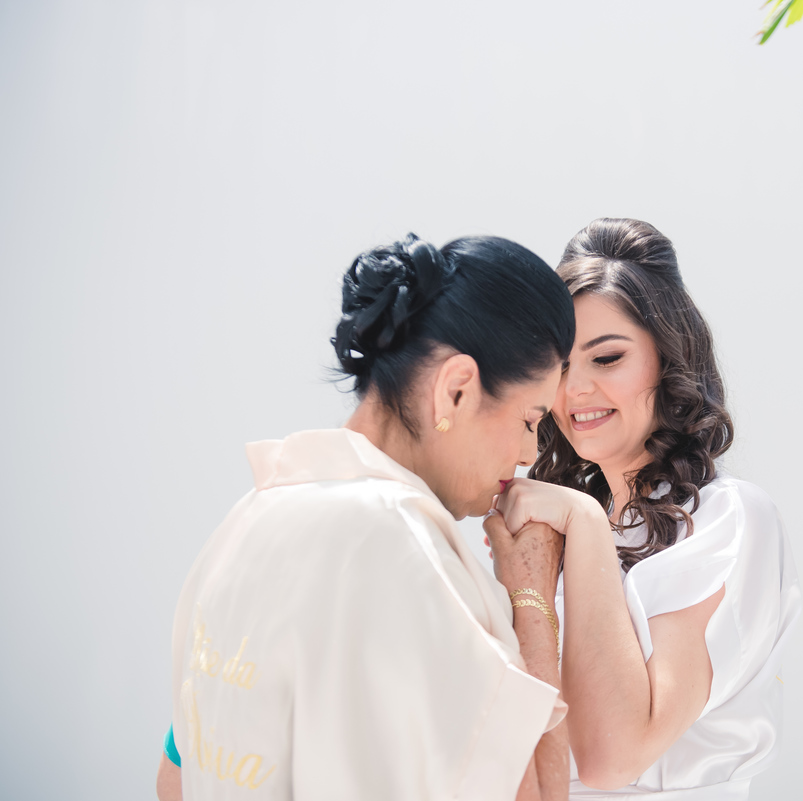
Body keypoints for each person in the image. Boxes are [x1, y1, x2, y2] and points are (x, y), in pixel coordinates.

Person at [156, 233, 575, 801]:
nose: (529, 453)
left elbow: (174, 781)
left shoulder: (248, 520)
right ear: (455, 390)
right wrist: (532, 595)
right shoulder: (403, 550)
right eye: (530, 420)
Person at [489, 219, 801, 800]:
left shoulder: (727, 520)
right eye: (560, 367)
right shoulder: (564, 531)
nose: (574, 390)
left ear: (669, 356)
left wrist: (583, 522)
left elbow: (611, 759)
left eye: (607, 358)